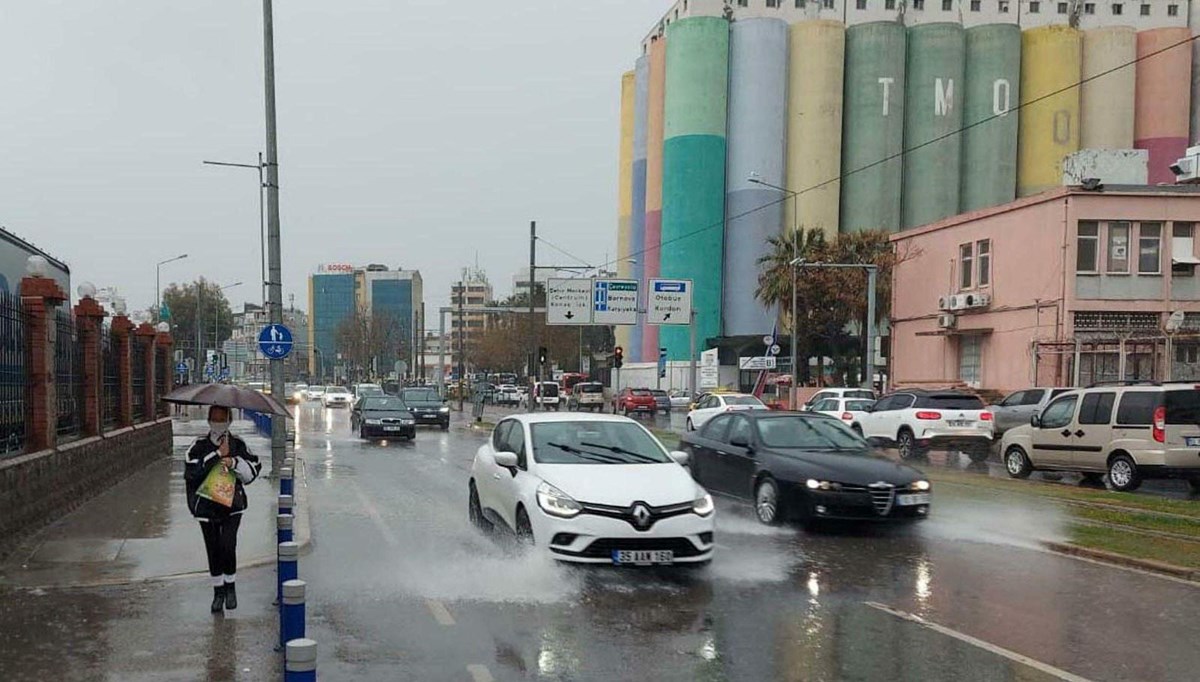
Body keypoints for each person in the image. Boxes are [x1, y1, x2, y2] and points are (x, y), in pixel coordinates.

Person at [184, 406, 262, 613]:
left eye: (222, 418)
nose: (218, 422)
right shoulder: (198, 446)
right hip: (206, 507)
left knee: (228, 545)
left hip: (232, 507)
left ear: (229, 419)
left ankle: (230, 587)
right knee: (213, 548)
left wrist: (234, 461)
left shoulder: (238, 444)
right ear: (209, 420)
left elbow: (253, 471)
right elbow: (192, 473)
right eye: (215, 418)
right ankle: (218, 591)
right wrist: (217, 454)